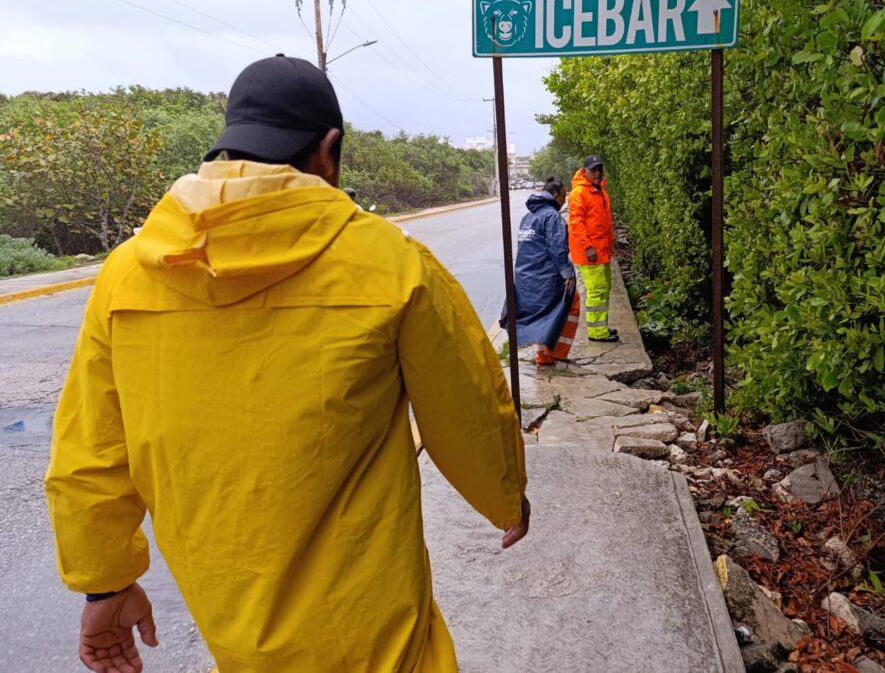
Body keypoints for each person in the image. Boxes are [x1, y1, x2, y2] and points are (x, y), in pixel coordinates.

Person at [45, 55, 529, 673]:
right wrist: (506, 497)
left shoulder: (128, 274)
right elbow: (467, 407)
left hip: (231, 633)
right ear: (327, 149)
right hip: (373, 629)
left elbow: (89, 453)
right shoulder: (390, 263)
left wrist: (104, 585)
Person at [501, 177, 579, 366]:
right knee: (571, 304)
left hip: (526, 279)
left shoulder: (527, 218)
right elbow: (557, 248)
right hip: (545, 278)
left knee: (541, 316)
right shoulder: (552, 217)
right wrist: (567, 274)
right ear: (554, 195)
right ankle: (556, 353)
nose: (565, 199)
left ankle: (542, 355)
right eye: (563, 195)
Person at [568, 155, 618, 343]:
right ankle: (597, 333)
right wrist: (588, 247)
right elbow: (576, 224)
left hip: (602, 251)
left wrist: (610, 243)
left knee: (604, 289)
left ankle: (601, 327)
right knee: (596, 290)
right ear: (585, 171)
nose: (597, 172)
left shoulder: (599, 191)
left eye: (599, 169)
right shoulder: (579, 193)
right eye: (593, 169)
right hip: (590, 253)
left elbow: (604, 222)